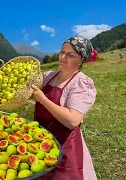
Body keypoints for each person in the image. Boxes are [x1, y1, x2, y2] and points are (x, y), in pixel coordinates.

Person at [31, 35, 97, 180]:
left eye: (70, 55)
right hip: (41, 144)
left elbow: (73, 121)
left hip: (66, 148)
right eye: (62, 52)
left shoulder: (81, 83)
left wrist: (43, 99)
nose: (62, 57)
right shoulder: (49, 77)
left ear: (81, 60)